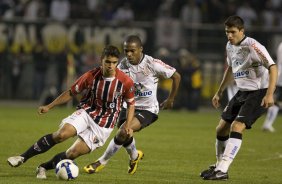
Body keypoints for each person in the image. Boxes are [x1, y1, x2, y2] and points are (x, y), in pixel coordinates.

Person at [7, 45, 136, 179]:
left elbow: (131, 104)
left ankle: (43, 167)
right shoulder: (91, 75)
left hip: (104, 125)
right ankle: (22, 157)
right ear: (101, 60)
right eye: (107, 62)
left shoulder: (125, 82)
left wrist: (127, 125)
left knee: (72, 153)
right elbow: (71, 92)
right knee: (61, 135)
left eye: (114, 62)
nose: (111, 66)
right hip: (87, 112)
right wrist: (50, 106)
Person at [83, 35, 181, 175]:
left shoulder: (152, 63)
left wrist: (171, 99)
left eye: (132, 51)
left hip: (148, 109)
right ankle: (134, 156)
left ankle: (101, 162)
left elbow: (176, 76)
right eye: (126, 51)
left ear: (141, 49)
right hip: (127, 107)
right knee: (126, 135)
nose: (129, 54)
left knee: (124, 131)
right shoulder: (122, 65)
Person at [200, 15, 277, 180]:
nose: (229, 35)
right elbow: (230, 68)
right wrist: (219, 91)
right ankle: (218, 165)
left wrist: (270, 94)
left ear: (242, 31)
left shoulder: (253, 46)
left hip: (258, 93)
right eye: (227, 32)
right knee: (221, 129)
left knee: (237, 126)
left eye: (233, 32)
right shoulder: (230, 45)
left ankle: (223, 169)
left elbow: (273, 67)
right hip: (241, 92)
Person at [261, 42, 282, 132]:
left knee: (278, 102)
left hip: (279, 75)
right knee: (278, 102)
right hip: (280, 78)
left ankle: (268, 124)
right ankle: (267, 124)